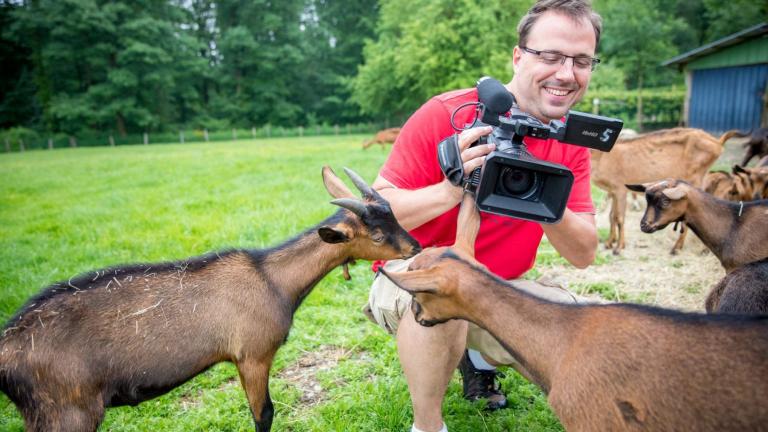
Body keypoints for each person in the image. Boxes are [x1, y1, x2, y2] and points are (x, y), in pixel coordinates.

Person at [362, 1, 604, 431]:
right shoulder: (448, 114)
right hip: (410, 275)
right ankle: (428, 426)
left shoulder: (570, 140)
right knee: (447, 286)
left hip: (500, 287)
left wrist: (544, 196)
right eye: (550, 56)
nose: (566, 73)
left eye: (581, 61)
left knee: (586, 329)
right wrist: (449, 188)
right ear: (518, 56)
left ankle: (477, 355)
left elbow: (584, 252)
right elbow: (373, 217)